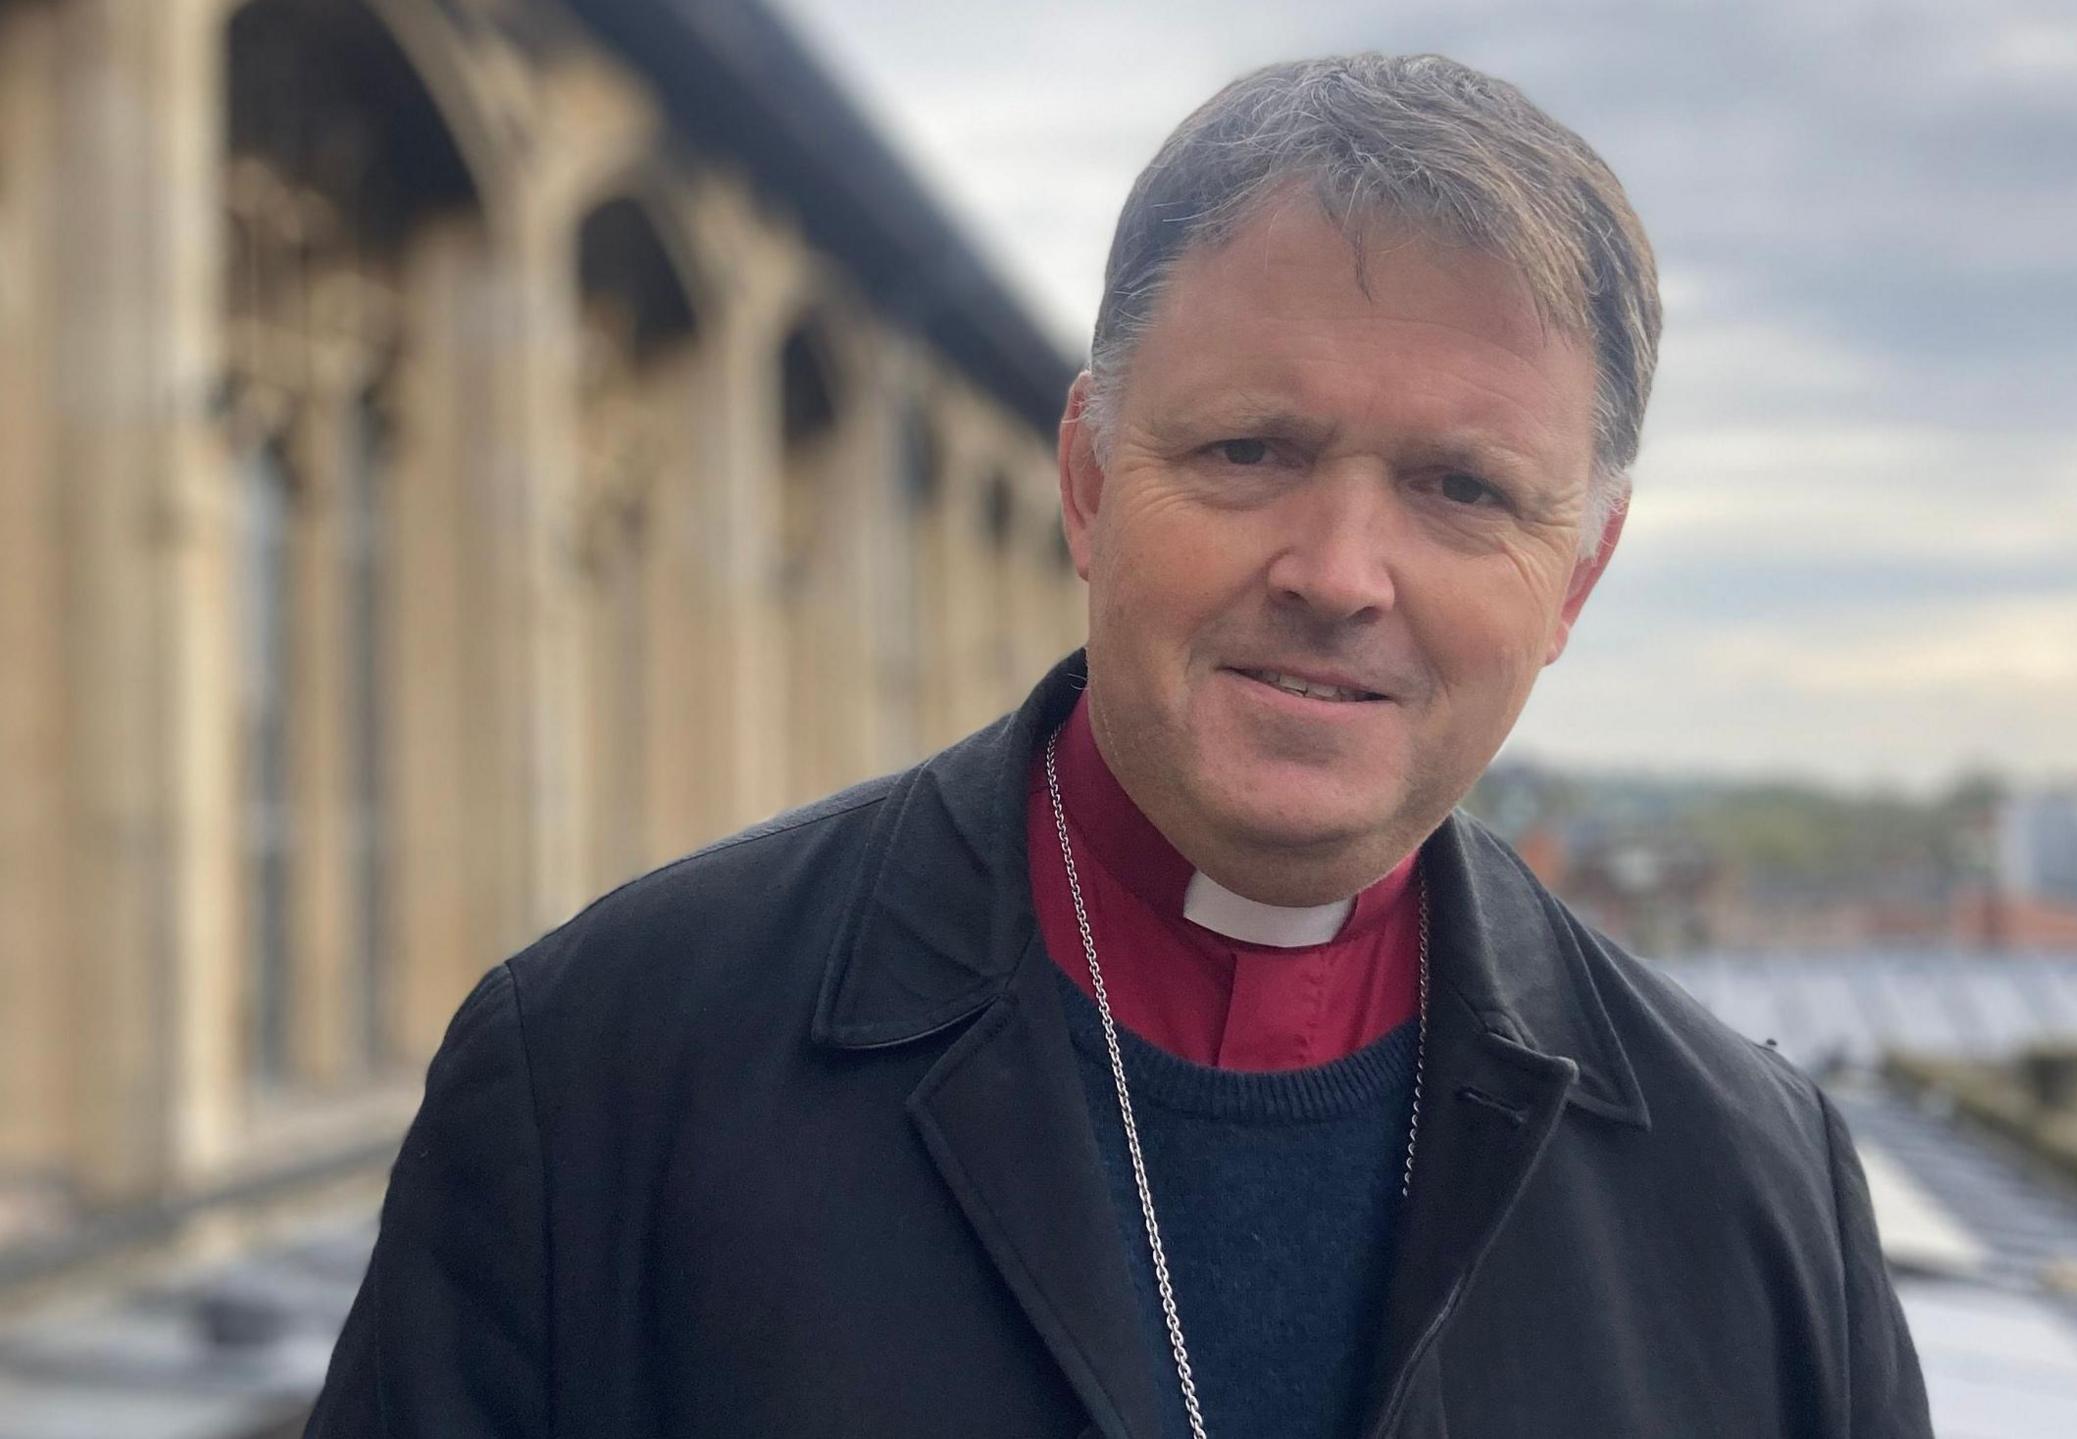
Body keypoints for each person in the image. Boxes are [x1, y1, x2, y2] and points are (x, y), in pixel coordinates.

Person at [306, 52, 1931, 1439]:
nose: (1338, 576)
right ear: (1086, 481)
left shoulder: (1757, 1190)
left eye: (1464, 490)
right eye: (1247, 448)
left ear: (1576, 576)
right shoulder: (600, 1078)